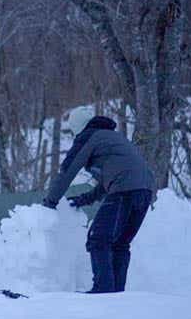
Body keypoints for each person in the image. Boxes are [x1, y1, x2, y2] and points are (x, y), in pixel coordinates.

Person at [43, 113, 155, 293]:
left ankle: (103, 290)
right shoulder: (113, 138)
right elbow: (114, 176)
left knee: (98, 239)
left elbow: (68, 170)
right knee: (120, 243)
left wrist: (50, 201)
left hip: (125, 190)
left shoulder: (89, 137)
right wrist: (85, 198)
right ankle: (116, 294)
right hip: (145, 190)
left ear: (78, 129)